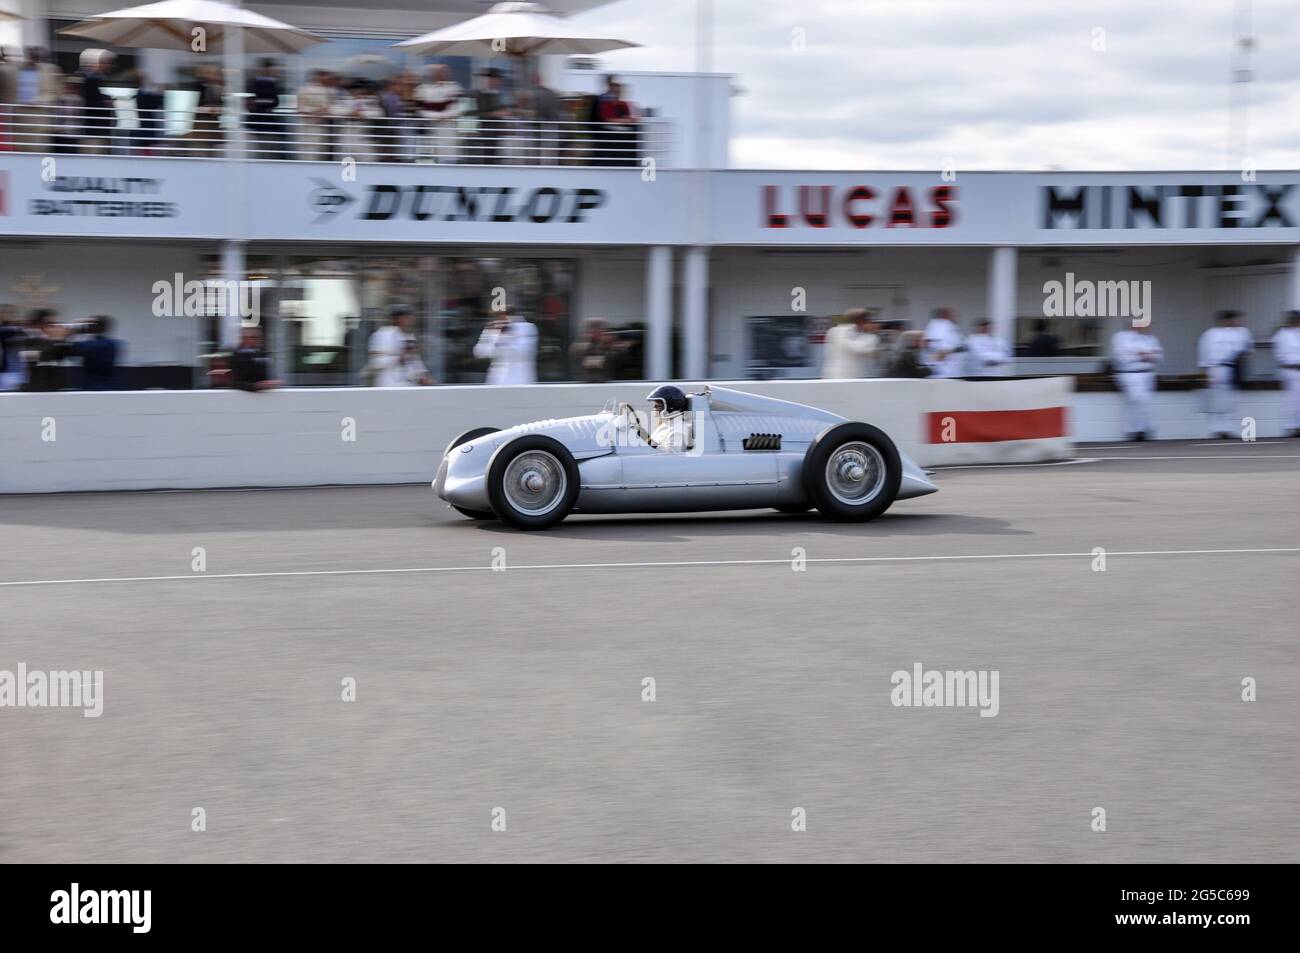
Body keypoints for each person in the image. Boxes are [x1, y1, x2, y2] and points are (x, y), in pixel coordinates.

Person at [1198, 309, 1254, 439]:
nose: (1236, 322)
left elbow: (1248, 350)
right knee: (1215, 399)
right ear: (1225, 320)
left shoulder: (1241, 333)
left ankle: (1227, 428)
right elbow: (1203, 354)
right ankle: (1215, 429)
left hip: (1232, 367)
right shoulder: (1210, 334)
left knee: (1230, 400)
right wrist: (1205, 372)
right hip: (1215, 367)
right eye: (1234, 319)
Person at [1110, 322, 1164, 441]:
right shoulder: (1121, 337)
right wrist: (1142, 355)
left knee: (1146, 402)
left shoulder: (1150, 338)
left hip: (1148, 373)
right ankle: (1134, 430)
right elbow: (1122, 358)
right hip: (1130, 374)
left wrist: (1141, 354)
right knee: (1136, 400)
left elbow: (1159, 356)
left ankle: (1144, 429)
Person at [414, 64, 462, 164]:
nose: (441, 74)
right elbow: (421, 110)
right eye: (438, 72)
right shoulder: (423, 89)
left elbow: (459, 108)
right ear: (432, 74)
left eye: (444, 72)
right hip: (429, 128)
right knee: (428, 157)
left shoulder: (454, 87)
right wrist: (439, 116)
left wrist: (444, 115)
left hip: (448, 129)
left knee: (449, 156)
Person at [473, 313, 538, 385]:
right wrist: (494, 336)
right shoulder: (492, 329)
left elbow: (523, 351)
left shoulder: (527, 328)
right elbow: (478, 352)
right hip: (496, 382)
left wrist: (502, 340)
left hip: (520, 381)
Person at [66, 315, 122, 390]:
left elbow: (69, 350)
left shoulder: (90, 345)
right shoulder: (113, 344)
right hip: (109, 386)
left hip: (90, 387)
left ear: (97, 327)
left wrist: (76, 331)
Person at [821, 308, 879, 378]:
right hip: (840, 377)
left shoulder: (858, 333)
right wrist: (871, 334)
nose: (871, 324)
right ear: (860, 321)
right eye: (868, 321)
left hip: (853, 378)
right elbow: (858, 348)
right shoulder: (839, 332)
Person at [367, 306, 416, 387]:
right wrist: (399, 357)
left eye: (409, 318)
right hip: (387, 383)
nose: (408, 320)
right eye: (405, 317)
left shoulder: (409, 336)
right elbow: (376, 362)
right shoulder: (382, 335)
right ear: (395, 319)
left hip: (407, 384)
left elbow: (413, 362)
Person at [1271, 310, 1300, 438]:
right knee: (1292, 400)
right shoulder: (1281, 335)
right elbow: (1283, 356)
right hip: (1290, 370)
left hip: (1296, 370)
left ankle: (1296, 426)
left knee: (1296, 400)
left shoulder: (1296, 333)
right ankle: (1291, 427)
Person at [473, 68, 511, 164]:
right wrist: (497, 113)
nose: (498, 82)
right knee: (487, 156)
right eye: (496, 79)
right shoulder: (481, 94)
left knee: (494, 155)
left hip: (496, 131)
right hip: (486, 131)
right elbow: (480, 113)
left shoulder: (498, 94)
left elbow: (503, 108)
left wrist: (505, 111)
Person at [229, 325, 279, 391]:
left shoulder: (262, 354)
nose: (250, 340)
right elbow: (235, 382)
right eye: (247, 337)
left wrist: (272, 383)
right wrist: (255, 386)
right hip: (243, 396)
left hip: (262, 395)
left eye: (254, 337)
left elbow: (267, 375)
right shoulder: (237, 356)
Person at [296, 70, 333, 161]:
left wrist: (318, 113)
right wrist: (314, 112)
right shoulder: (303, 90)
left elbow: (326, 108)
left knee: (317, 152)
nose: (326, 80)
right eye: (323, 77)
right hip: (305, 126)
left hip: (318, 126)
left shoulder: (325, 91)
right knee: (304, 152)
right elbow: (300, 109)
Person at [922, 307, 965, 378]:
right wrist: (942, 353)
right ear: (944, 316)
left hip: (950, 366)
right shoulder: (940, 325)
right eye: (950, 314)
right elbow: (932, 344)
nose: (953, 316)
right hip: (946, 367)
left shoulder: (947, 326)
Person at [646, 384, 691, 451]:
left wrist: (649, 442)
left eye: (658, 405)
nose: (654, 407)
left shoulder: (679, 430)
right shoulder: (666, 424)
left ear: (671, 407)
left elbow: (671, 457)